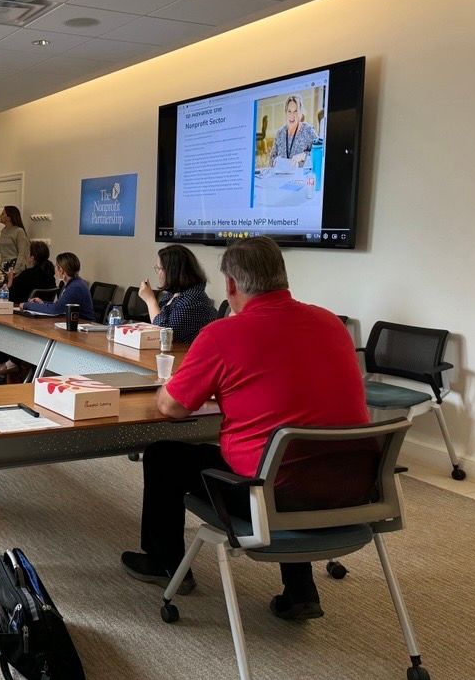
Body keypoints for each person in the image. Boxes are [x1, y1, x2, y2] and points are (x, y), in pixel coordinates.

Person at [121, 236, 370, 620]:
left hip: (269, 498)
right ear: (282, 278)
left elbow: (171, 408)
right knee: (289, 449)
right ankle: (300, 588)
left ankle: (164, 563)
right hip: (351, 491)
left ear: (232, 285)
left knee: (164, 455)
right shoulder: (331, 324)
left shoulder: (224, 334)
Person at [0, 241, 56, 378]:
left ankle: (5, 364)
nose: (26, 256)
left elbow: (10, 295)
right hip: (43, 318)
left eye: (28, 254)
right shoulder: (50, 276)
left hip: (22, 315)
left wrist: (9, 282)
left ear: (32, 257)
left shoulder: (27, 274)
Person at [137, 244, 217, 344]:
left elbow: (165, 333)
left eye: (160, 268)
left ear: (173, 272)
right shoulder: (172, 294)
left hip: (187, 356)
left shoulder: (193, 298)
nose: (158, 273)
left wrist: (150, 300)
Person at [21, 252, 95, 322]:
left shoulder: (75, 287)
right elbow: (60, 305)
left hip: (83, 325)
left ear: (61, 270)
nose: (54, 268)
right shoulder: (72, 283)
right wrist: (42, 303)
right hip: (75, 323)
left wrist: (27, 305)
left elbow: (55, 309)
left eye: (56, 266)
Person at [267, 94, 318, 169]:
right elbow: (271, 159)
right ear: (286, 112)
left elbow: (321, 153)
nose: (292, 115)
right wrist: (275, 161)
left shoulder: (308, 130)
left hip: (301, 179)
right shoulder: (280, 133)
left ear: (300, 113)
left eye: (295, 111)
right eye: (289, 111)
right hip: (281, 178)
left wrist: (303, 156)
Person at [0, 206, 30, 277]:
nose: (0, 216)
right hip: (3, 265)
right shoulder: (3, 231)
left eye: (2, 214)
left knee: (12, 287)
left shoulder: (19, 231)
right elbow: (0, 247)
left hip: (14, 266)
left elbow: (22, 253)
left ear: (9, 218)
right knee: (1, 288)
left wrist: (15, 270)